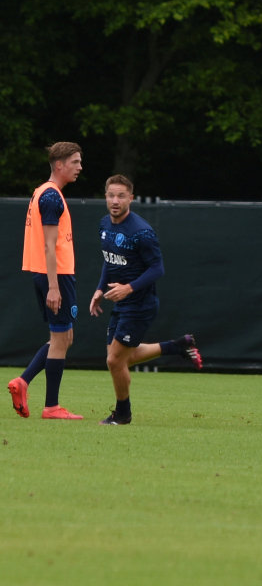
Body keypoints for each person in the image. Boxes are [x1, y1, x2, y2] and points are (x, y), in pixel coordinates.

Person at [89, 174, 203, 425]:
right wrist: (99, 289)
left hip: (140, 304)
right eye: (111, 195)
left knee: (114, 360)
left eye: (121, 196)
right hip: (122, 303)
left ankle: (122, 414)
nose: (115, 201)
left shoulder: (141, 232)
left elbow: (157, 269)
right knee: (121, 360)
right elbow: (109, 261)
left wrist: (128, 288)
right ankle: (177, 346)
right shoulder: (104, 225)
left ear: (131, 197)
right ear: (105, 197)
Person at [8, 142, 84, 420]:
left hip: (48, 274)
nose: (79, 167)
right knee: (61, 338)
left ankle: (23, 383)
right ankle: (51, 406)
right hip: (56, 276)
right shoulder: (51, 197)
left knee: (63, 337)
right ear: (60, 164)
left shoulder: (42, 192)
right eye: (75, 162)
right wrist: (54, 286)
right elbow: (49, 246)